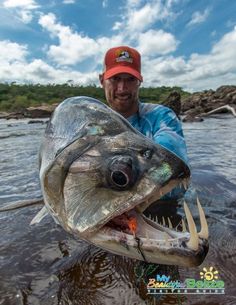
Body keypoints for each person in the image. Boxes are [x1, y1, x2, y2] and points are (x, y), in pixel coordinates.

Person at [99, 46, 189, 169]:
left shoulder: (162, 117)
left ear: (139, 82)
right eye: (115, 79)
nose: (122, 88)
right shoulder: (92, 124)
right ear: (102, 80)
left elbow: (170, 164)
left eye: (130, 79)